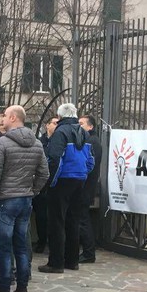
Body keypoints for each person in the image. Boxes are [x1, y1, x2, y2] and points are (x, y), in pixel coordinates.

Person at [0, 106, 48, 292]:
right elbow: (44, 173)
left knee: (4, 248)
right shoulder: (37, 143)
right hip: (25, 200)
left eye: (5, 115)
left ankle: (4, 291)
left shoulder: (2, 143)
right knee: (21, 247)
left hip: (5, 200)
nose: (2, 118)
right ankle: (22, 289)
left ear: (13, 117)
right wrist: (32, 191)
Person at [39, 104, 95, 274]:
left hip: (62, 180)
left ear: (60, 116)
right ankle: (72, 261)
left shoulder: (60, 132)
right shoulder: (84, 133)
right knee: (73, 221)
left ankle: (56, 263)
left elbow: (54, 158)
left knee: (56, 222)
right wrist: (83, 174)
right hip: (79, 180)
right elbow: (90, 160)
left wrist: (50, 182)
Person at [77, 116, 103, 264]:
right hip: (86, 186)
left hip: (86, 186)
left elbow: (88, 165)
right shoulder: (91, 141)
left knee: (83, 219)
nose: (78, 126)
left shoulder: (92, 142)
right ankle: (87, 251)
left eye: (81, 124)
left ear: (90, 127)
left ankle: (88, 252)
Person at [32, 117, 59, 254]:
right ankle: (42, 241)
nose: (57, 125)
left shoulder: (60, 141)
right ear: (47, 125)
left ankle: (53, 242)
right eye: (54, 123)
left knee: (54, 216)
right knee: (41, 215)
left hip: (55, 184)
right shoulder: (39, 142)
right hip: (41, 184)